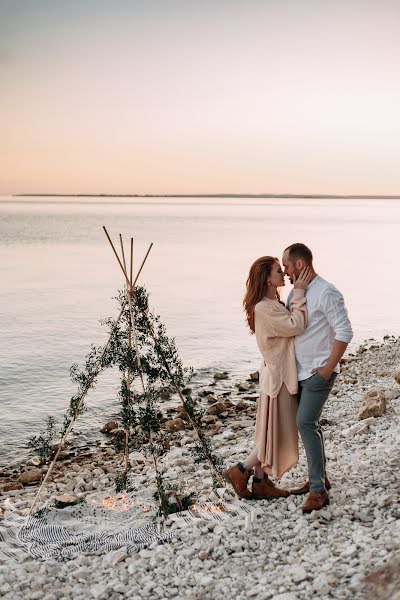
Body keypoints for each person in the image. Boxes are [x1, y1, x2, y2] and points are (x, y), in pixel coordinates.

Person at [224, 256, 312, 500]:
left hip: (276, 375)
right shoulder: (264, 308)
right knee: (278, 435)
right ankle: (240, 470)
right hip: (279, 378)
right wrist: (301, 293)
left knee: (271, 433)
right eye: (277, 271)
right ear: (266, 277)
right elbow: (297, 325)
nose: (283, 274)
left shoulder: (271, 303)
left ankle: (261, 482)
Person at [282, 243, 353, 513]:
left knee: (305, 422)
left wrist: (327, 368)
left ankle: (317, 491)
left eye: (287, 266)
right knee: (310, 425)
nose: (286, 271)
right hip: (297, 373)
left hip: (317, 372)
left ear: (300, 265)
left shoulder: (327, 292)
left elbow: (345, 332)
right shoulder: (295, 293)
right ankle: (320, 477)